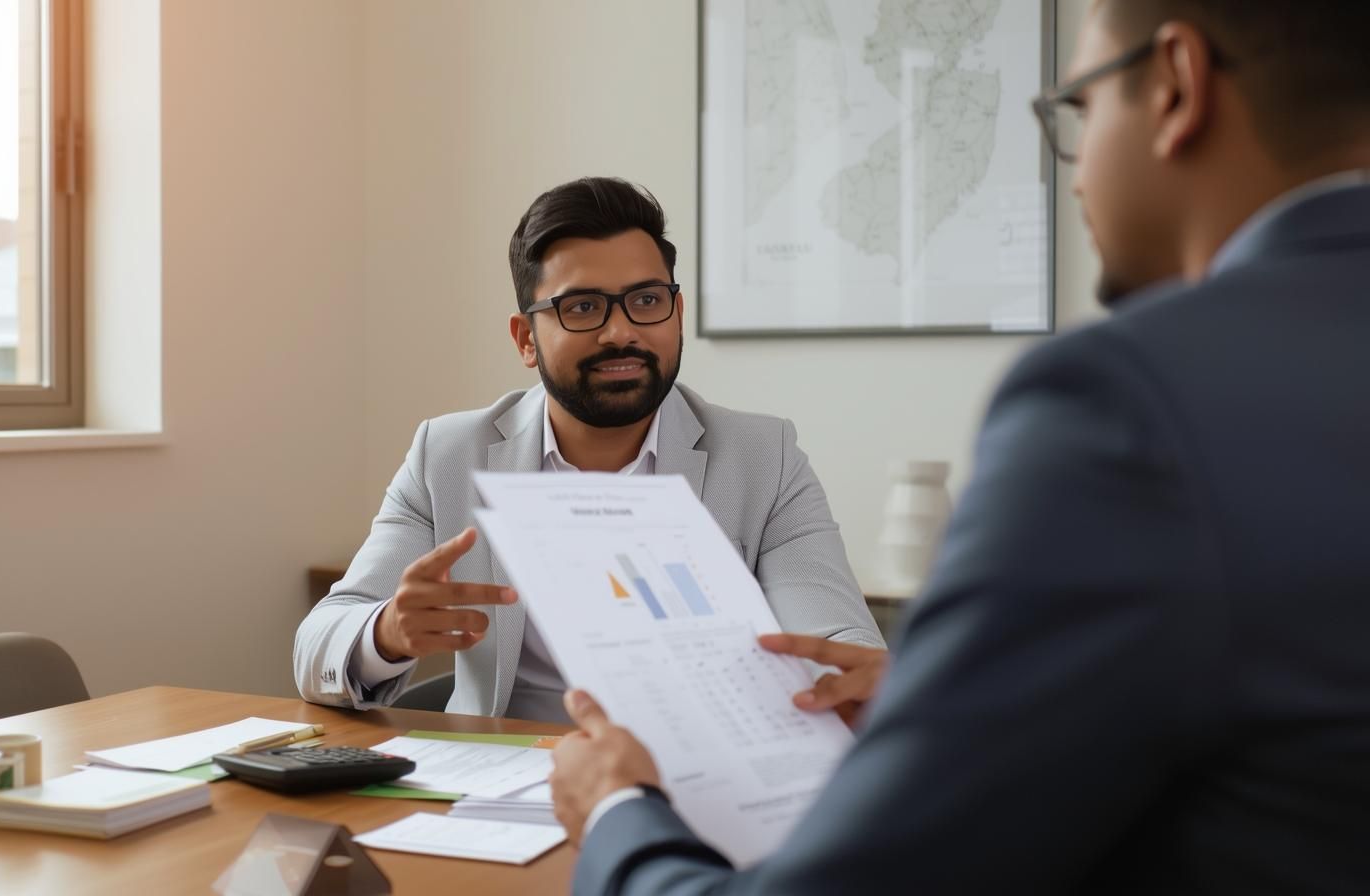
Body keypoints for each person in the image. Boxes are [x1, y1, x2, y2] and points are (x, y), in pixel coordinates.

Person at [551, 1, 1370, 891]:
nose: (1080, 175)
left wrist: (615, 816)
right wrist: (932, 699)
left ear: (1177, 84)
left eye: (1081, 111)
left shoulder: (1123, 397)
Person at [293, 177, 883, 723]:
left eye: (646, 301)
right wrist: (387, 632)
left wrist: (844, 680)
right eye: (582, 308)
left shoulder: (762, 457)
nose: (621, 331)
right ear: (526, 339)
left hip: (690, 791)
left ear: (677, 314)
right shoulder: (448, 454)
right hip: (499, 788)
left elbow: (835, 639)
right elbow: (318, 643)